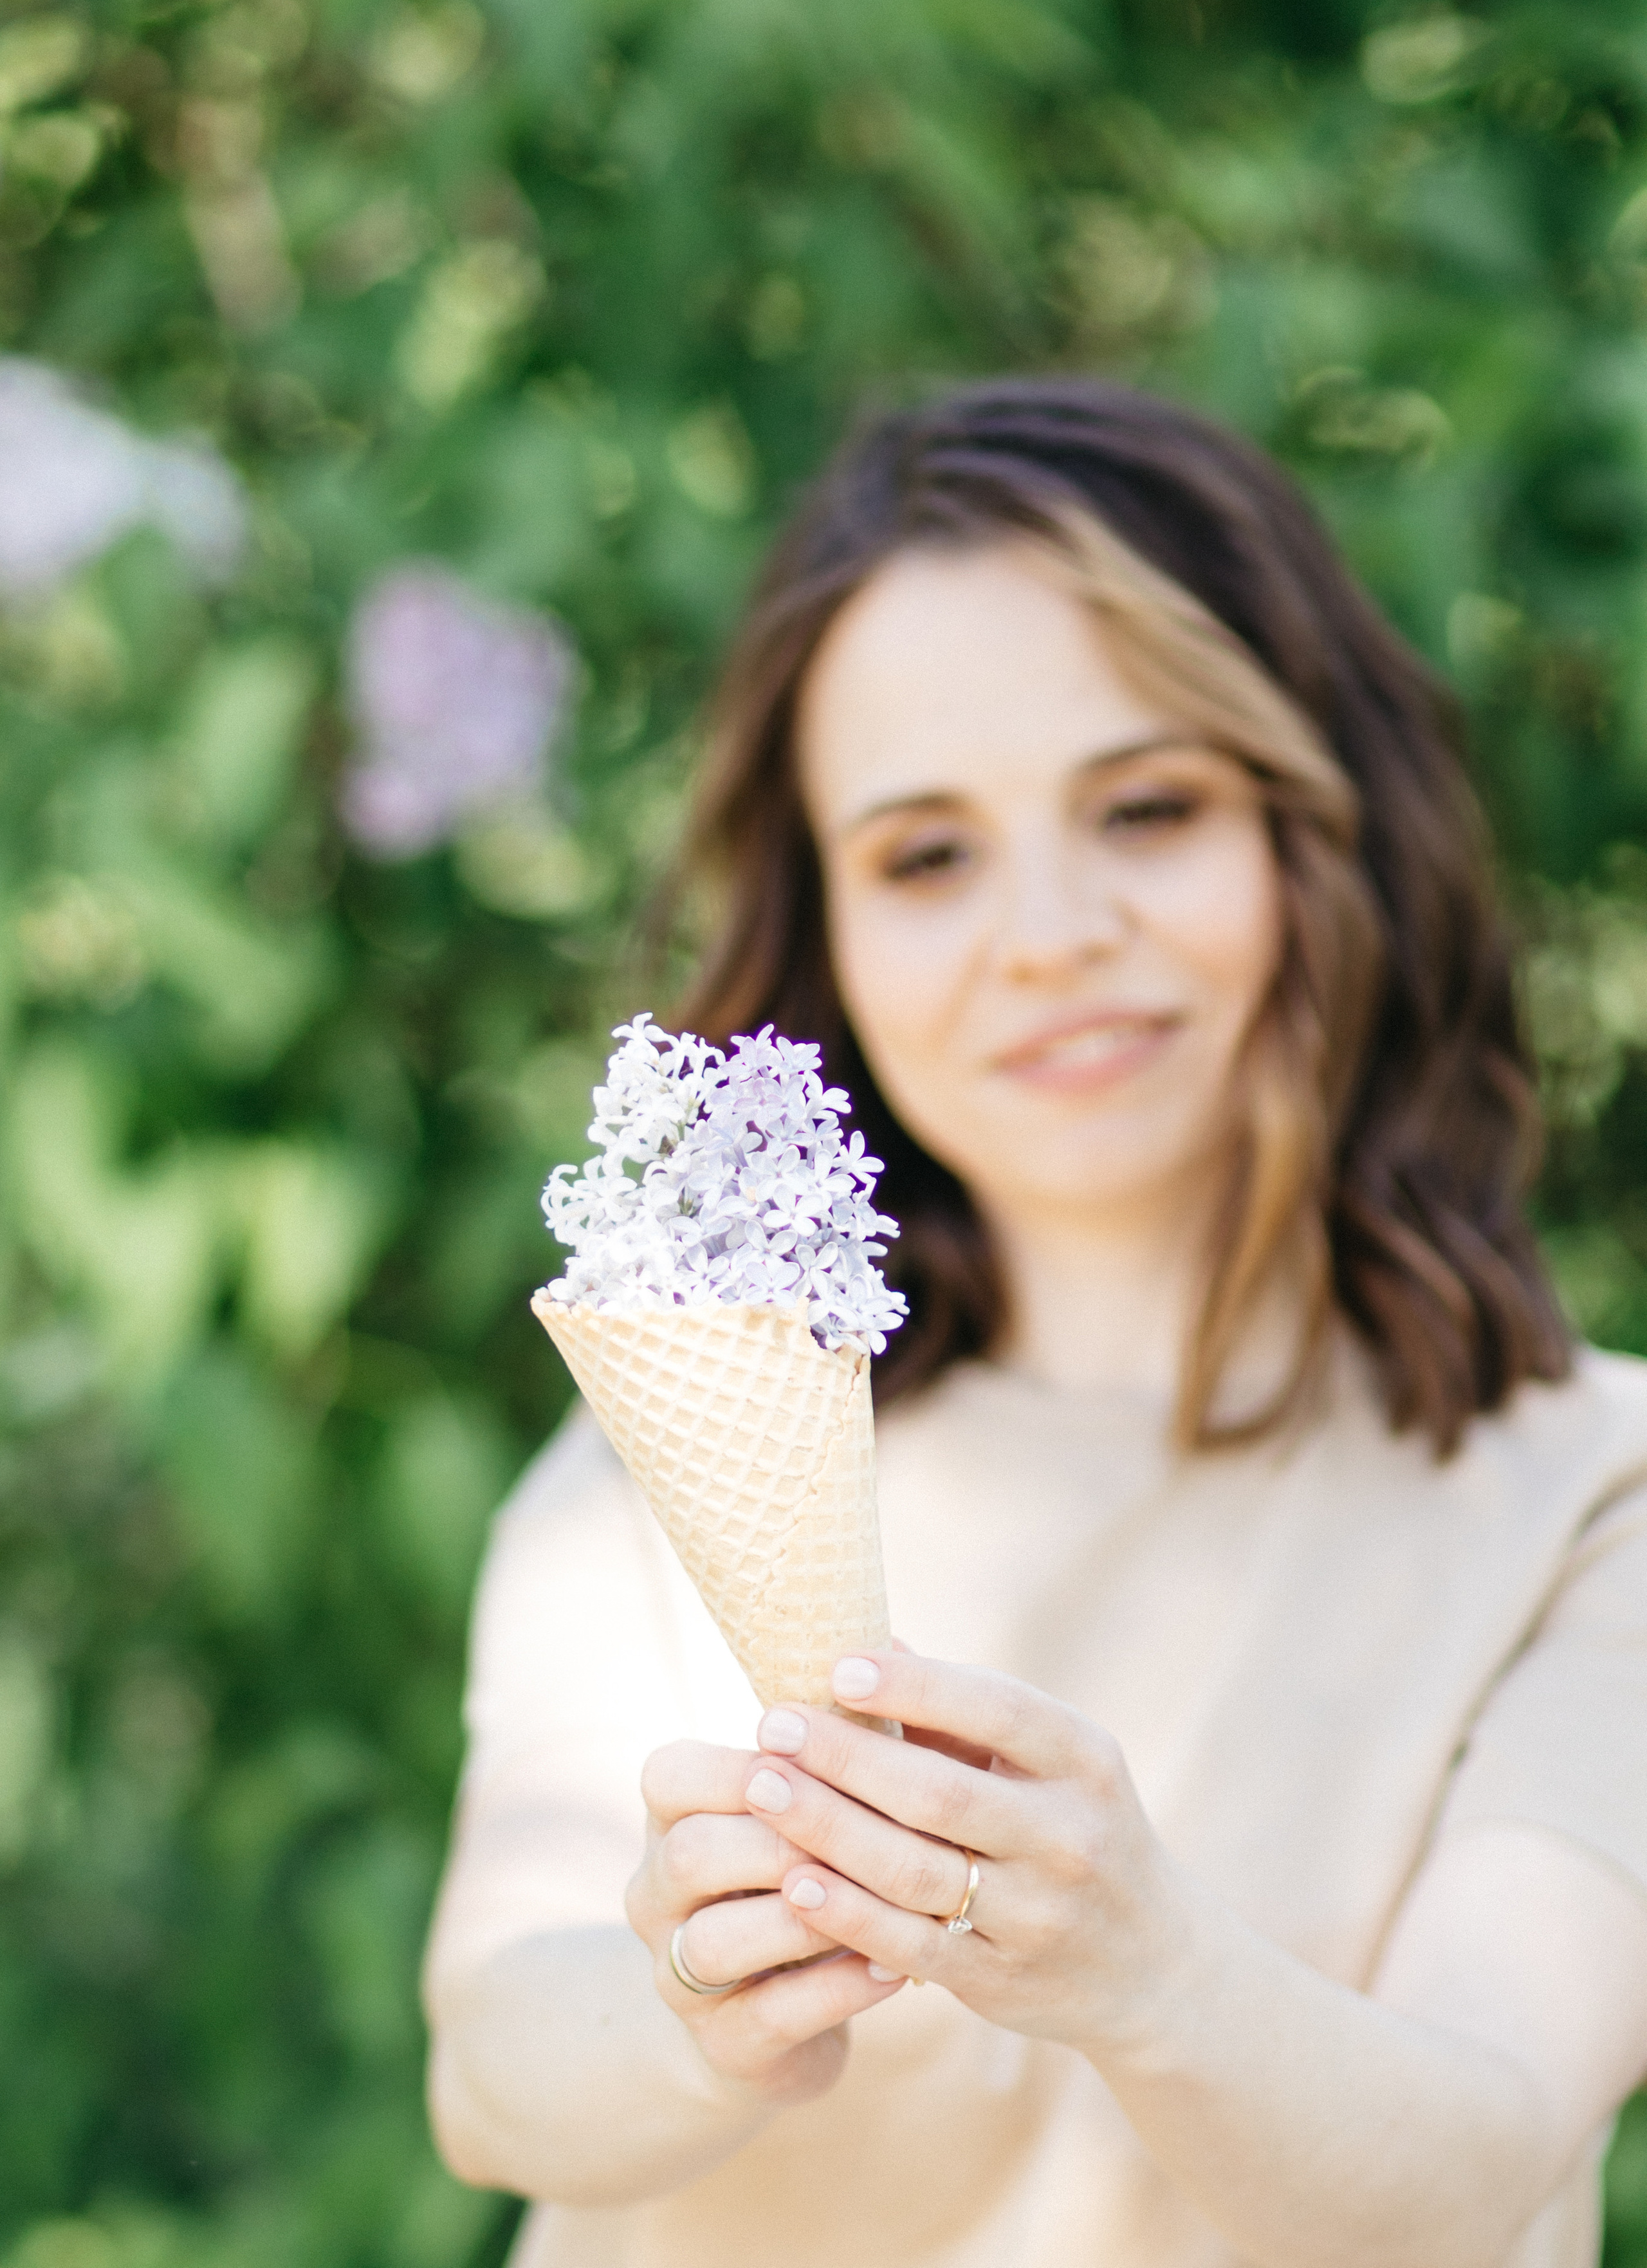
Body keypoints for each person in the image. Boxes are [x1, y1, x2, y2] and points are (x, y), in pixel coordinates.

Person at [422, 379, 1647, 2268]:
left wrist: (1149, 1973)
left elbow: (1476, 2168)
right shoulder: (679, 1445)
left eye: (1146, 807)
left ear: (1322, 829)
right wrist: (691, 2005)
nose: (1049, 931)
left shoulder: (1594, 1498)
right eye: (928, 855)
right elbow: (494, 2075)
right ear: (831, 928)